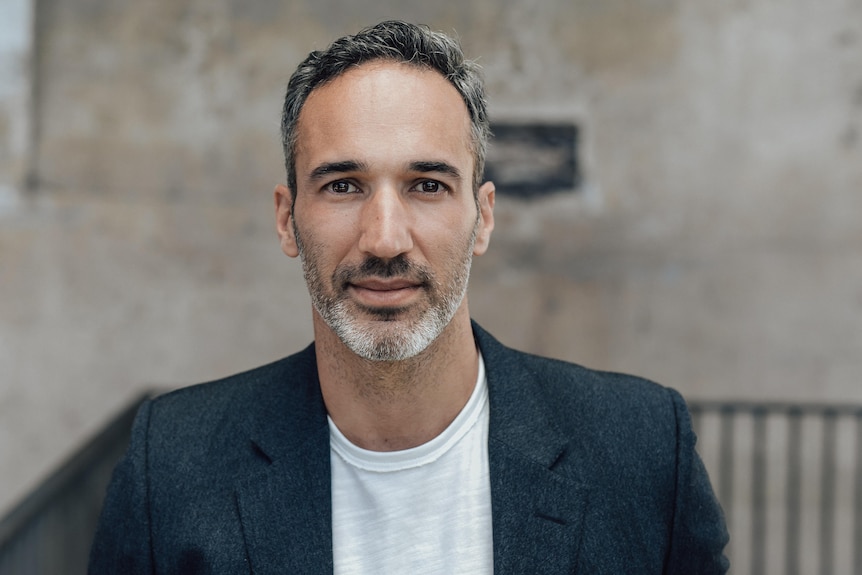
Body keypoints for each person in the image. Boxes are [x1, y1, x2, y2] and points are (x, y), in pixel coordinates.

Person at [89, 20, 729, 574]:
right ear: (287, 219)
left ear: (483, 218)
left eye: (426, 184)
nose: (385, 238)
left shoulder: (641, 448)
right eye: (343, 185)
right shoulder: (172, 464)